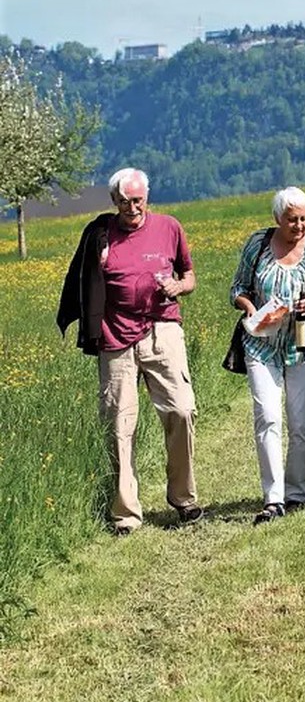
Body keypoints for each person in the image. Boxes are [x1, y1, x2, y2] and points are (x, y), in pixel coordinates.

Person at [57, 167, 204, 536]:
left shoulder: (170, 227)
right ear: (114, 201)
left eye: (137, 200)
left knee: (182, 410)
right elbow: (83, 280)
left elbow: (189, 276)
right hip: (115, 338)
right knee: (119, 424)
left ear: (147, 197)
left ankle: (183, 498)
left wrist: (177, 287)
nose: (132, 207)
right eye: (124, 201)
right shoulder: (101, 235)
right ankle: (126, 513)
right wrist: (98, 262)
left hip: (162, 330)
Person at [230, 187, 305, 525]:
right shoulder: (257, 244)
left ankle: (298, 493)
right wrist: (254, 310)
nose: (299, 225)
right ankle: (273, 499)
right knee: (268, 417)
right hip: (261, 344)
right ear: (277, 219)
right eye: (292, 220)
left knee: (301, 422)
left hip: (303, 343)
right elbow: (237, 289)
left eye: (304, 219)